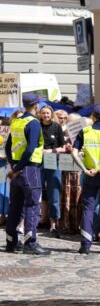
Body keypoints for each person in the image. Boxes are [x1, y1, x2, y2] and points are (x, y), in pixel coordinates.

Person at [3, 93, 50, 255]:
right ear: (36, 106)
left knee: (15, 205)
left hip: (17, 168)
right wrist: (19, 167)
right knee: (32, 205)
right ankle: (30, 242)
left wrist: (14, 165)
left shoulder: (16, 121)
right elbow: (31, 149)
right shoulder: (34, 123)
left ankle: (11, 241)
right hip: (29, 169)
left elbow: (8, 146)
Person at [73, 105, 100, 255]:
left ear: (92, 116)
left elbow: (74, 152)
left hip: (90, 174)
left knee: (88, 208)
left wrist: (84, 169)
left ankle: (85, 244)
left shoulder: (85, 131)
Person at [37, 105, 65, 237]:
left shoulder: (56, 127)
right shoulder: (37, 126)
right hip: (38, 162)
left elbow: (63, 147)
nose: (46, 115)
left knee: (54, 192)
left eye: (48, 113)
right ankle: (34, 221)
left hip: (53, 162)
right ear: (40, 115)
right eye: (43, 113)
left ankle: (54, 224)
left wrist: (51, 151)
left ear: (51, 114)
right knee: (37, 191)